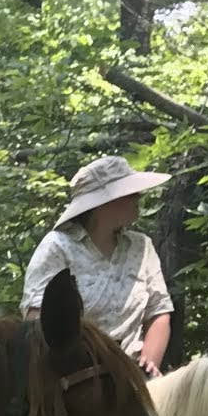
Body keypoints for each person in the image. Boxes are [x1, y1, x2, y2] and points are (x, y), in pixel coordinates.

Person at [22, 154, 172, 375]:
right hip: (75, 378)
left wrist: (147, 368)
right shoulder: (56, 248)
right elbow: (37, 322)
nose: (138, 196)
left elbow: (159, 312)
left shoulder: (141, 246)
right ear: (105, 202)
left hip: (134, 375)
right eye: (130, 192)